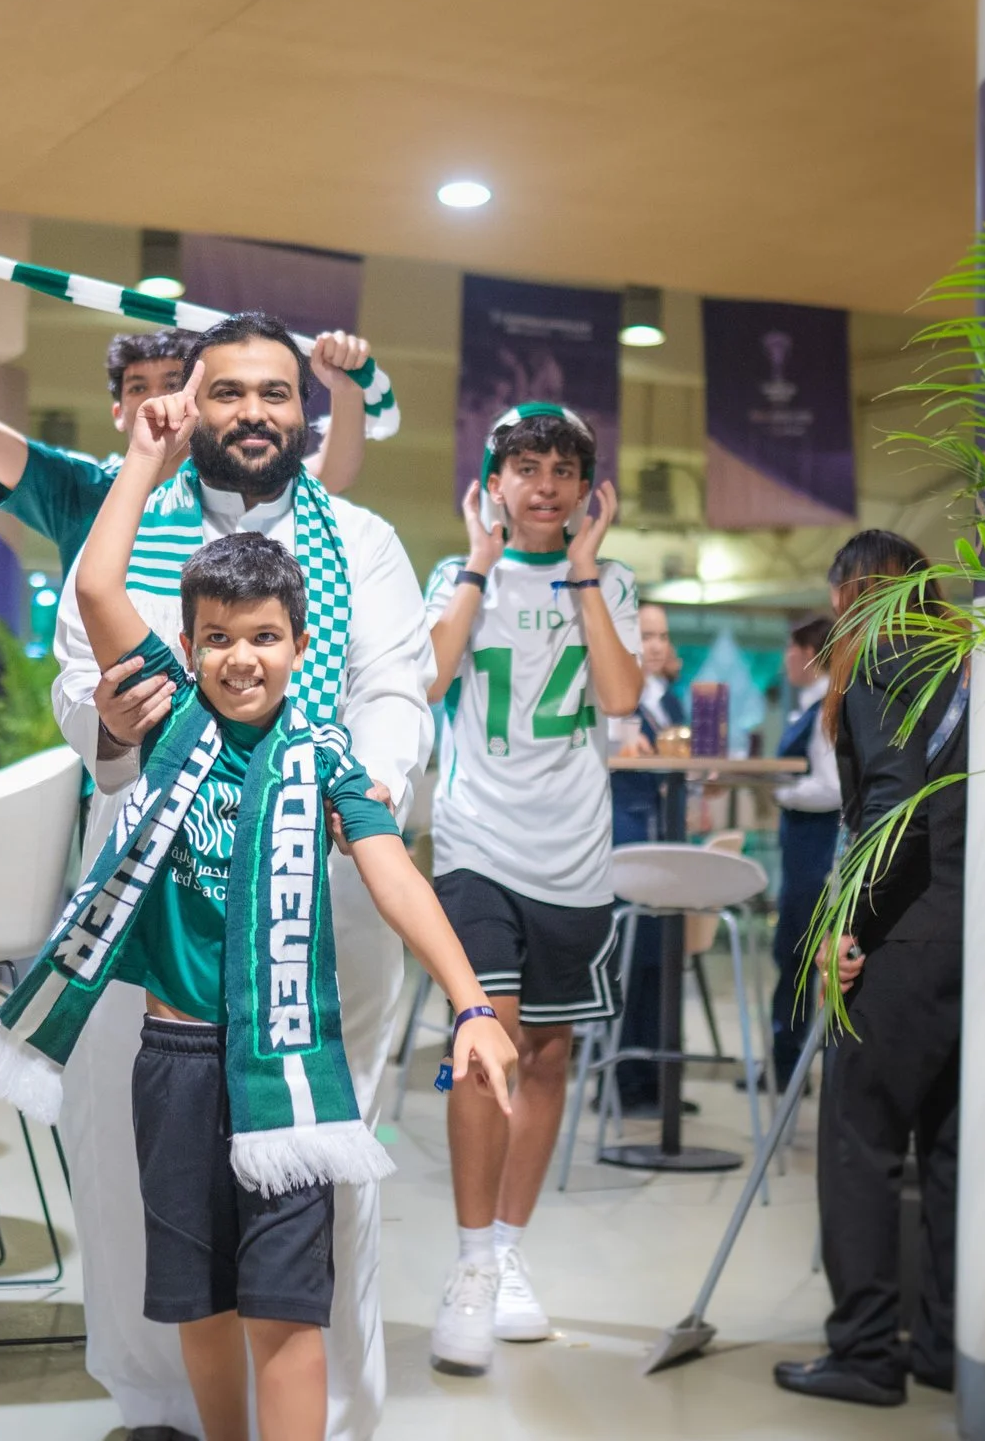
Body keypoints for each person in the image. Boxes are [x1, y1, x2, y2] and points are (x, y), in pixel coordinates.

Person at [0, 362, 515, 1441]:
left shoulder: (326, 757)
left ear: (303, 648)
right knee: (198, 1296)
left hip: (289, 1061)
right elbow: (97, 590)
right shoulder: (170, 725)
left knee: (288, 1299)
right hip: (173, 1061)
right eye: (216, 639)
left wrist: (473, 1003)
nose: (241, 658)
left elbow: (396, 872)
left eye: (265, 638)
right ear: (187, 649)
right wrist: (141, 461)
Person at [47, 313, 434, 1441]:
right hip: (155, 901)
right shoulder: (129, 525)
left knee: (319, 1169)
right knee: (139, 1173)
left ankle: (325, 1418)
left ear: (305, 412)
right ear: (190, 403)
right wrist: (104, 716)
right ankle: (161, 1407)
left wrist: (359, 785)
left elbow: (394, 687)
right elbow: (78, 668)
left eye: (276, 392)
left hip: (321, 896)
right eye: (228, 392)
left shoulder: (360, 538)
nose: (254, 412)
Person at [418, 403, 640, 1374]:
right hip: (477, 844)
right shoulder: (456, 572)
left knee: (546, 1057)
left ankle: (509, 1253)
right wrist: (479, 559)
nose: (545, 486)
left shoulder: (612, 580)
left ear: (587, 487)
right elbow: (428, 678)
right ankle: (470, 1265)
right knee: (484, 1045)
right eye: (526, 468)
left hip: (573, 854)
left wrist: (583, 568)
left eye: (562, 470)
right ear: (494, 481)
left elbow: (622, 696)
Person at [775, 529, 966, 1408]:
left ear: (853, 594)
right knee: (948, 1151)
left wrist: (847, 924)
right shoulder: (964, 669)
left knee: (860, 1143)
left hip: (901, 942)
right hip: (970, 940)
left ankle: (863, 1350)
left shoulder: (882, 662)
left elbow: (893, 811)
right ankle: (943, 1344)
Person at [0, 231, 372, 579]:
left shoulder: (241, 480)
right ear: (118, 414)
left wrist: (346, 390)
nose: (155, 399)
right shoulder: (82, 490)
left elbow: (332, 474)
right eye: (136, 388)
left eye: (171, 382)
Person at [609, 604, 687, 1108]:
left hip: (667, 833)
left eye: (662, 635)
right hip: (627, 834)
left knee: (662, 958)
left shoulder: (670, 702)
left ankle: (662, 1076)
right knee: (630, 959)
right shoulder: (616, 700)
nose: (656, 645)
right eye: (647, 635)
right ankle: (624, 1079)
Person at [766, 614, 843, 1084]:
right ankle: (786, 1063)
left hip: (817, 853)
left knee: (799, 956)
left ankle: (789, 1067)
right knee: (793, 956)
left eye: (791, 651)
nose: (786, 660)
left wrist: (782, 793)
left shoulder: (827, 708)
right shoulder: (811, 707)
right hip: (803, 853)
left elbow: (831, 787)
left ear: (810, 654)